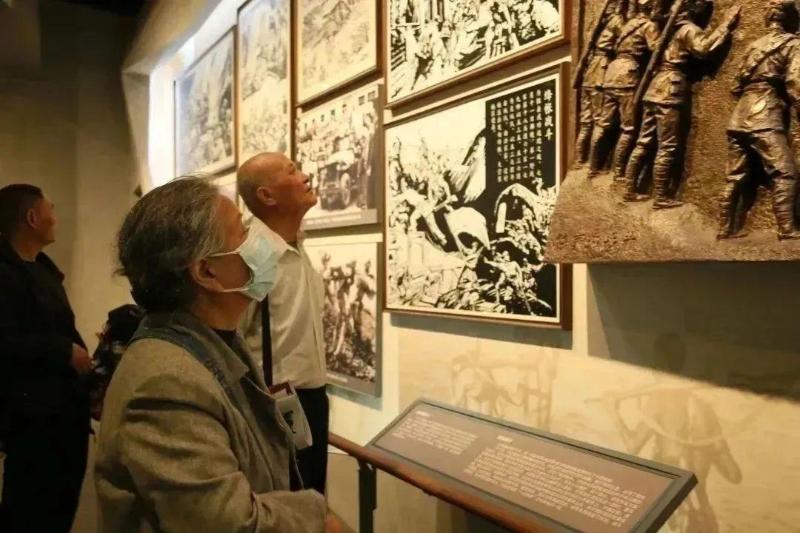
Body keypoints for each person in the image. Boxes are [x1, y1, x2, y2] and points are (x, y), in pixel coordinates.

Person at [94, 178, 338, 532]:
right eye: (243, 234)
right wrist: (318, 517)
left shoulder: (213, 341)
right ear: (207, 271)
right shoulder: (166, 383)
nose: (260, 244)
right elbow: (228, 523)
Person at [0, 184, 91, 533]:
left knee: (58, 511)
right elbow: (6, 342)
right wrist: (63, 351)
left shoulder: (44, 270)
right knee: (30, 513)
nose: (56, 219)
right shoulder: (4, 274)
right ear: (32, 218)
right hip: (32, 420)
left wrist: (91, 380)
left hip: (65, 416)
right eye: (50, 210)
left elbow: (64, 328)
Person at [238, 152, 330, 495]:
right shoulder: (256, 254)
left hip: (307, 399)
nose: (305, 176)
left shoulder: (293, 245)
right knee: (285, 504)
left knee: (307, 498)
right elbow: (229, 335)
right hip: (274, 404)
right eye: (293, 171)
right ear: (267, 195)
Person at [624, 0, 739, 208]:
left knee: (644, 142)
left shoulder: (667, 29)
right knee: (667, 146)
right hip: (670, 90)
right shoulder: (688, 29)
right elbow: (704, 48)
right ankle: (660, 196)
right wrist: (725, 25)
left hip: (654, 89)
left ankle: (629, 189)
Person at [718, 0, 800, 240]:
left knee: (734, 176)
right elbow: (794, 83)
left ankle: (725, 229)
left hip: (739, 116)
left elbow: (735, 85)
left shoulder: (754, 45)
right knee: (785, 173)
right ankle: (786, 229)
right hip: (765, 115)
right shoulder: (793, 44)